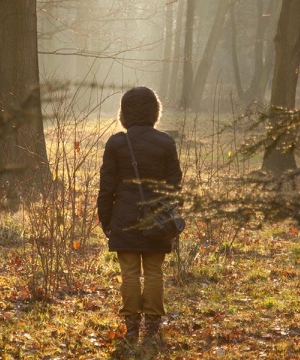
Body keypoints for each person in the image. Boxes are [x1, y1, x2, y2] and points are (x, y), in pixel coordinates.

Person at [96, 86, 182, 356]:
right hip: (157, 220)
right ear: (155, 111)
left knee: (130, 273)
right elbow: (174, 186)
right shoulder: (166, 142)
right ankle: (153, 324)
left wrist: (106, 220)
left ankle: (132, 324)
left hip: (124, 219)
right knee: (155, 271)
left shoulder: (116, 143)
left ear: (124, 113)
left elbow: (106, 187)